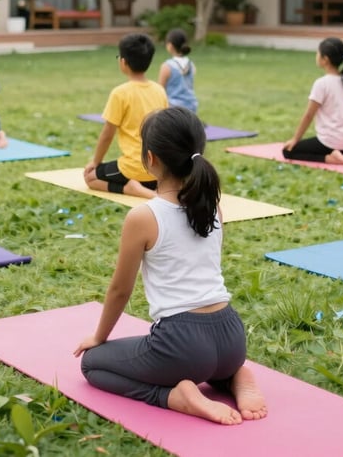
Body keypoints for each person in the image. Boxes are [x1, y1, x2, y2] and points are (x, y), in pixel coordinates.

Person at [75, 106, 267, 425]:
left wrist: (99, 336)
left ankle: (173, 397)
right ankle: (233, 377)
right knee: (209, 363)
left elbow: (120, 290)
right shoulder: (212, 207)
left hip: (183, 346)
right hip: (232, 337)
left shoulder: (143, 217)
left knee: (93, 365)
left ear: (150, 159)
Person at [84, 32, 168, 198]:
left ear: (123, 62)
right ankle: (153, 188)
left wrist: (95, 162)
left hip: (133, 168)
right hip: (159, 169)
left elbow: (108, 133)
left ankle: (132, 189)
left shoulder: (120, 93)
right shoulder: (160, 90)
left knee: (90, 178)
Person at [282, 37, 343, 165]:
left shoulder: (322, 84)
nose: (316, 56)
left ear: (325, 59)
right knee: (342, 145)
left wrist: (295, 139)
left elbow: (309, 115)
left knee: (288, 152)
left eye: (318, 53)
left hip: (329, 142)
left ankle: (332, 158)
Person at [158, 28, 197, 113]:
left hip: (173, 108)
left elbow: (160, 91)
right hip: (191, 106)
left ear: (170, 46)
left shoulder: (167, 66)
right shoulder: (191, 64)